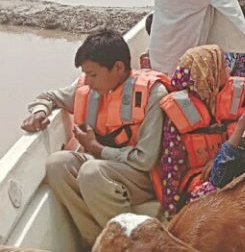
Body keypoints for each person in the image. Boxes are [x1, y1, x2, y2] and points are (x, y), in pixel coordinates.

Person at [20, 29, 170, 248]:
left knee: (91, 172)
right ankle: (95, 241)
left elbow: (145, 159)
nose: (88, 82)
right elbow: (49, 97)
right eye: (86, 75)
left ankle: (126, 245)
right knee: (57, 164)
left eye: (93, 75)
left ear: (118, 67)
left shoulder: (152, 94)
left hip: (141, 176)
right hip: (104, 168)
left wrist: (97, 148)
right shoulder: (89, 88)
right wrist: (40, 112)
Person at [157, 44, 245, 218]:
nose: (228, 69)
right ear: (207, 73)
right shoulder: (178, 112)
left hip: (237, 166)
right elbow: (172, 165)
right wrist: (171, 209)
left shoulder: (240, 95)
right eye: (223, 66)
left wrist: (218, 160)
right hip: (201, 179)